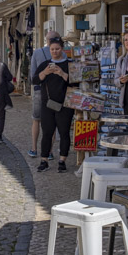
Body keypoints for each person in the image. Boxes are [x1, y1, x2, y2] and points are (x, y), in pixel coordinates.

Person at [32, 36, 77, 173]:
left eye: (57, 49)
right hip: (48, 104)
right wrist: (44, 73)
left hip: (65, 104)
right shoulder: (45, 64)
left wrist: (62, 73)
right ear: (49, 49)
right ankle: (44, 160)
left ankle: (62, 160)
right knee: (47, 132)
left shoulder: (69, 64)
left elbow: (76, 82)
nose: (55, 52)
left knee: (64, 133)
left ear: (62, 49)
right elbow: (34, 80)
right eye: (52, 49)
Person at [28, 30, 59, 158]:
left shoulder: (37, 53)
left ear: (46, 40)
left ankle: (34, 149)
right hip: (54, 92)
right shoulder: (61, 53)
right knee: (52, 121)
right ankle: (50, 151)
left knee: (36, 120)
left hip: (39, 90)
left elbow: (33, 75)